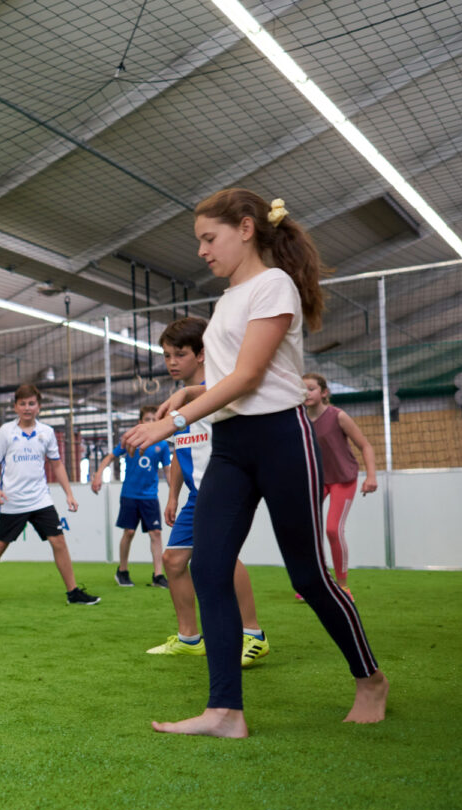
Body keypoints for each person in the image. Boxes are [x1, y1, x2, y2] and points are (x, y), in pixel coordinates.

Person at [122, 190, 388, 737]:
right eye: (198, 240)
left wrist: (170, 422)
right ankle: (225, 711)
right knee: (208, 567)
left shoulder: (274, 285)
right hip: (232, 446)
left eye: (208, 238)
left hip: (281, 440)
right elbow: (232, 374)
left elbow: (250, 379)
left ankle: (369, 679)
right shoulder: (228, 297)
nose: (201, 250)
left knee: (309, 576)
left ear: (246, 228)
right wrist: (190, 390)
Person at [150, 317, 267, 665]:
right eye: (167, 355)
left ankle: (253, 635)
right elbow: (177, 450)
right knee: (173, 561)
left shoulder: (221, 390)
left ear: (202, 354)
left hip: (222, 491)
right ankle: (189, 638)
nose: (172, 361)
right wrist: (172, 495)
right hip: (195, 495)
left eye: (180, 354)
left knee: (222, 558)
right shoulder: (176, 403)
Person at [0, 385, 99, 606]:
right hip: (13, 501)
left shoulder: (46, 432)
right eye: (22, 404)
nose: (27, 408)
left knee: (59, 541)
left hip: (41, 500)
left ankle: (73, 592)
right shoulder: (5, 432)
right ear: (15, 407)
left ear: (38, 407)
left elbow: (57, 466)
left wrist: (69, 494)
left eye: (31, 403)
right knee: (1, 543)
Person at [302, 373, 377, 597]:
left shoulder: (339, 416)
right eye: (302, 389)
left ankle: (343, 586)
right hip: (318, 481)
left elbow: (365, 446)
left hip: (343, 479)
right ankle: (317, 583)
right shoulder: (301, 420)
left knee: (333, 529)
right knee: (306, 530)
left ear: (324, 392)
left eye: (311, 388)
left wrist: (371, 476)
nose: (306, 393)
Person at [90, 406, 171, 587]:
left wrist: (173, 494)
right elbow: (110, 457)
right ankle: (122, 571)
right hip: (130, 495)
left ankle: (158, 575)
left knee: (156, 533)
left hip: (150, 496)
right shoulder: (131, 441)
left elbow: (167, 470)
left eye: (154, 419)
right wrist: (98, 475)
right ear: (140, 422)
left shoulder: (163, 445)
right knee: (129, 532)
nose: (151, 422)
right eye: (147, 419)